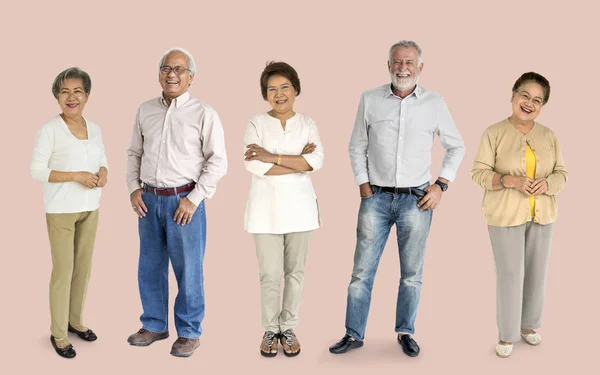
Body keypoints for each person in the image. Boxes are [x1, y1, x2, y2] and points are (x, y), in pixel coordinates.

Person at [329, 40, 465, 357]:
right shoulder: (370, 99)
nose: (402, 67)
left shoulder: (434, 102)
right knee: (361, 272)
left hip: (417, 201)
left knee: (412, 274)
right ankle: (353, 333)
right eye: (397, 61)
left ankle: (405, 332)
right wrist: (363, 184)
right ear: (388, 64)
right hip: (374, 198)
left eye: (409, 62)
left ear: (420, 67)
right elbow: (356, 145)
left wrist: (441, 185)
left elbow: (456, 146)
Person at [125, 47, 228, 358]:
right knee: (150, 267)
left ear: (191, 77)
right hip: (148, 200)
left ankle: (189, 331)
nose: (172, 74)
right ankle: (155, 324)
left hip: (184, 202)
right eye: (166, 68)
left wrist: (193, 199)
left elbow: (218, 161)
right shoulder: (145, 110)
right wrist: (133, 188)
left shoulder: (203, 113)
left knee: (189, 270)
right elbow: (134, 154)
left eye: (180, 69)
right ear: (159, 74)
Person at [471, 72, 567, 358]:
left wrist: (547, 184)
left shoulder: (548, 136)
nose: (529, 103)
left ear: (542, 106)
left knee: (537, 274)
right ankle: (507, 333)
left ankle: (528, 326)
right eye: (525, 95)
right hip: (504, 216)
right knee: (511, 275)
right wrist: (509, 181)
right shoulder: (494, 132)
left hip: (543, 215)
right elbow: (478, 172)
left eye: (537, 100)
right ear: (513, 95)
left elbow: (562, 173)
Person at [244, 61, 324, 357]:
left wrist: (271, 156)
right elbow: (252, 164)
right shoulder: (255, 122)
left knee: (295, 273)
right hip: (264, 212)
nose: (279, 94)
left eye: (285, 87)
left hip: (301, 211)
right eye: (272, 89)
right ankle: (270, 329)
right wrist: (295, 162)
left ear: (296, 89)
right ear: (265, 94)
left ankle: (287, 328)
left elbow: (315, 162)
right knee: (269, 274)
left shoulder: (308, 124)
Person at [31, 67, 108, 358]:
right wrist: (76, 175)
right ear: (57, 97)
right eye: (64, 91)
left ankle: (75, 320)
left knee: (83, 270)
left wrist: (103, 172)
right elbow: (36, 170)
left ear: (87, 95)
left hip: (90, 208)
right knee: (63, 271)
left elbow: (102, 159)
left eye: (77, 91)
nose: (71, 97)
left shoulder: (95, 127)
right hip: (61, 210)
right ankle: (59, 333)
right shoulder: (49, 129)